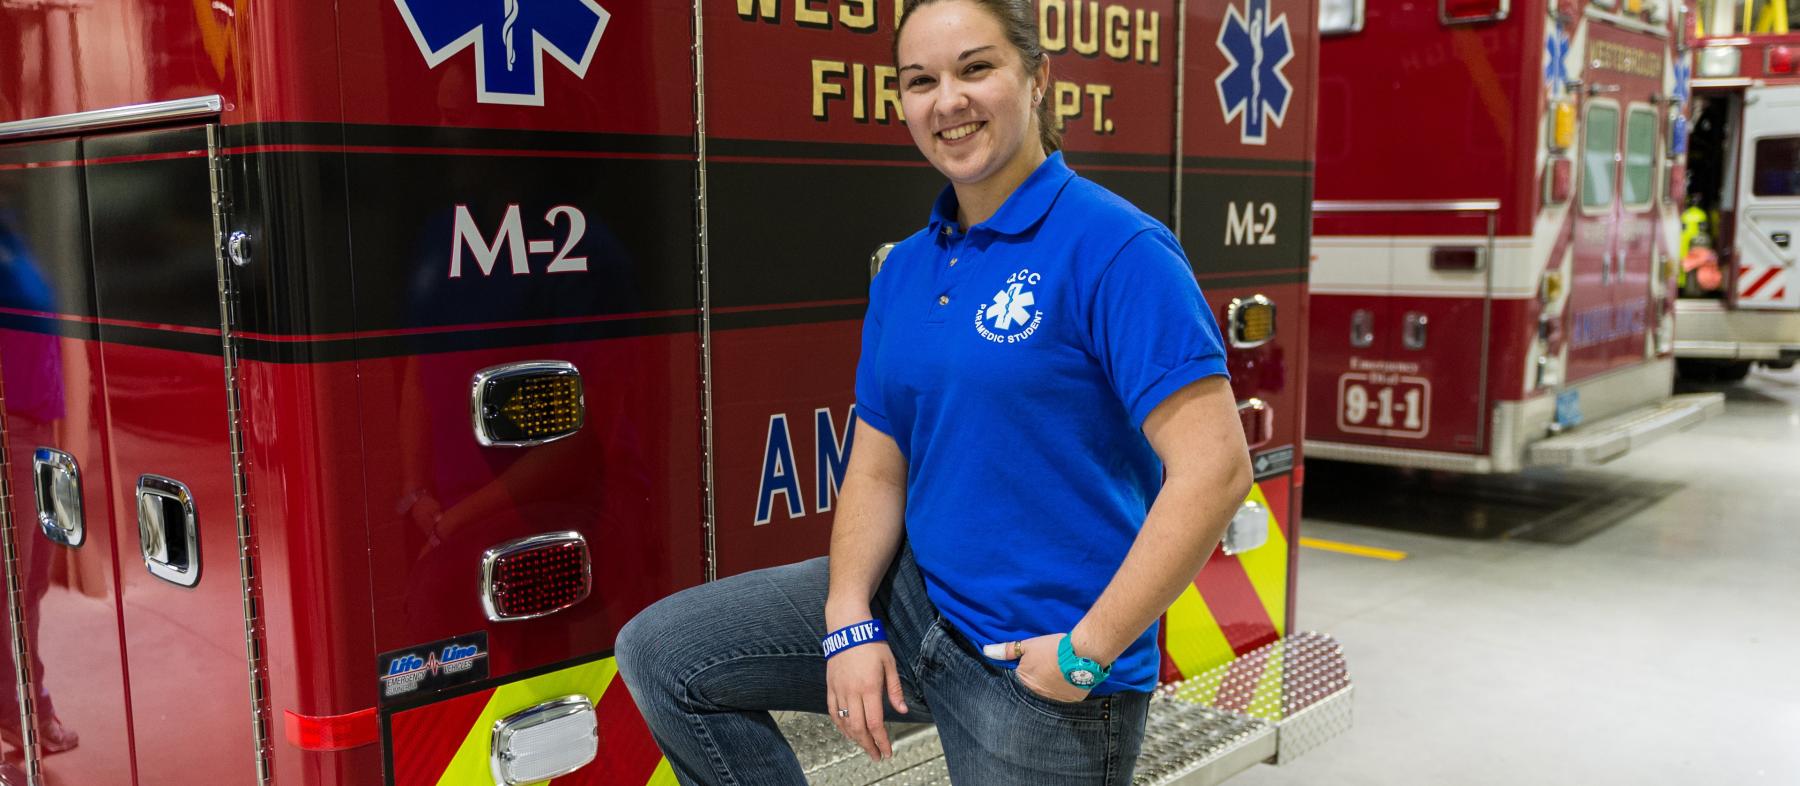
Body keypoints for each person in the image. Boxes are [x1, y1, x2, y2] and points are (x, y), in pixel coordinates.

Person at [614, 0, 1251, 782]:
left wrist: (1085, 655)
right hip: (921, 606)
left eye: (976, 68)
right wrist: (848, 614)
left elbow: (1216, 469)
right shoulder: (911, 267)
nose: (947, 101)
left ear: (1038, 78)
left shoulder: (1118, 249)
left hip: (1037, 673)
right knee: (666, 655)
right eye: (921, 80)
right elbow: (879, 462)